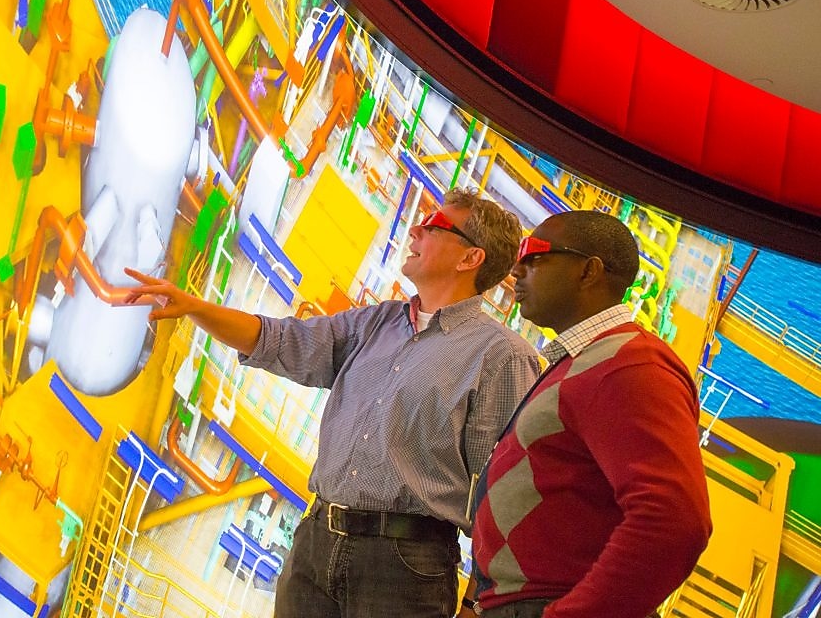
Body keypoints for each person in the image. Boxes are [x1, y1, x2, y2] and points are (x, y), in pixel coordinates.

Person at [125, 188, 540, 618]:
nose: (416, 229)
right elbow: (283, 341)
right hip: (316, 544)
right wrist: (193, 307)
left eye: (434, 225)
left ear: (470, 258)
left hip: (404, 570)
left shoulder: (501, 357)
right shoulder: (377, 322)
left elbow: (503, 496)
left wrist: (475, 603)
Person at [464, 211, 712, 618]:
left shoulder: (631, 366)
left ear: (588, 271)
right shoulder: (589, 361)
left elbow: (674, 521)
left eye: (534, 255)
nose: (516, 270)